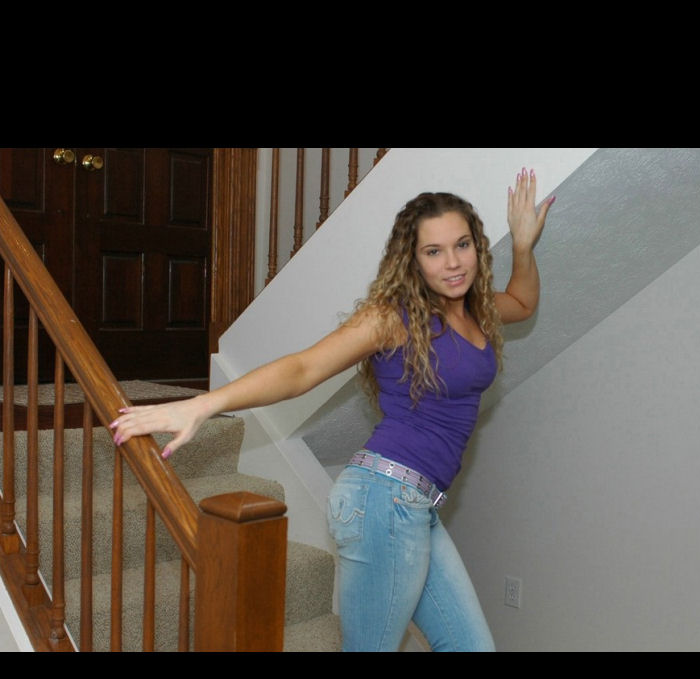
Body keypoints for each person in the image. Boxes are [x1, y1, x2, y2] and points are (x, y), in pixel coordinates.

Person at [110, 167, 553, 652]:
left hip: (417, 505)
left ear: (477, 246)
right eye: (433, 251)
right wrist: (203, 404)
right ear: (412, 260)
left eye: (462, 245)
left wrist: (524, 246)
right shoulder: (393, 318)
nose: (452, 263)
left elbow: (523, 302)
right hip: (384, 503)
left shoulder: (475, 309)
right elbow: (303, 368)